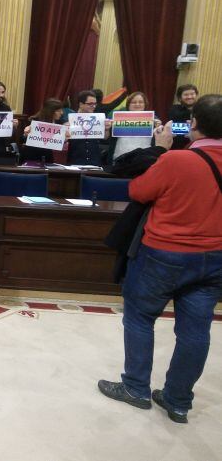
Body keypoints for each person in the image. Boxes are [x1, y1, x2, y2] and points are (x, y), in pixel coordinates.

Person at [98, 94, 222, 424]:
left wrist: (161, 150)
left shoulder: (176, 160)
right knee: (196, 331)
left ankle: (136, 387)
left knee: (140, 317)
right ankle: (178, 400)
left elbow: (138, 191)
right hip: (215, 258)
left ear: (194, 125)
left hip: (164, 253)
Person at [109, 91, 161, 163]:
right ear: (128, 104)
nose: (137, 104)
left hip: (144, 156)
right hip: (121, 155)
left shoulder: (153, 118)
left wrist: (158, 128)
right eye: (133, 102)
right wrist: (109, 127)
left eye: (140, 102)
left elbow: (159, 140)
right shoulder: (119, 117)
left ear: (145, 104)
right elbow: (109, 138)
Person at [67, 90, 110, 166]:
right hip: (75, 161)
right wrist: (66, 131)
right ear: (81, 104)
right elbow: (64, 140)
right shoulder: (71, 119)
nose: (93, 106)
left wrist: (106, 129)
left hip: (94, 161)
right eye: (90, 104)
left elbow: (105, 137)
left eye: (95, 104)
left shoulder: (99, 119)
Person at [20, 98, 64, 165]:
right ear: (50, 111)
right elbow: (22, 140)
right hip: (31, 157)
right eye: (58, 111)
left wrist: (65, 138)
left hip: (48, 158)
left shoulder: (60, 124)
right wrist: (25, 134)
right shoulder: (34, 121)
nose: (62, 113)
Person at [168, 84, 198, 150]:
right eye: (186, 95)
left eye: (192, 94)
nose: (190, 97)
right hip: (178, 145)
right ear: (180, 97)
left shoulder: (201, 109)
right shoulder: (174, 109)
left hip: (197, 145)